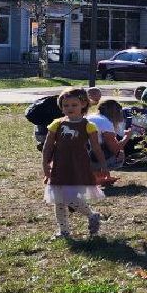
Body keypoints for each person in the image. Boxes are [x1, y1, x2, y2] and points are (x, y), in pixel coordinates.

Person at [41, 87, 107, 239]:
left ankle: (91, 215)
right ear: (61, 107)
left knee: (71, 198)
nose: (69, 108)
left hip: (77, 165)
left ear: (83, 104)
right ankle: (63, 231)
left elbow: (96, 148)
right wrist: (45, 164)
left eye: (74, 105)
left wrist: (103, 164)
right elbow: (48, 146)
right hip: (59, 166)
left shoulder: (88, 126)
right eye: (66, 105)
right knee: (59, 201)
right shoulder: (56, 124)